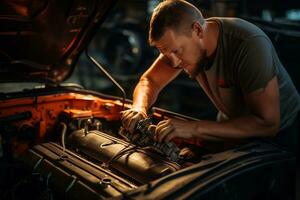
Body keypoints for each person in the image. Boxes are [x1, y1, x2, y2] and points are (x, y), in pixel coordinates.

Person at [121, 0, 300, 152]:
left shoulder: (248, 44)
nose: (174, 63)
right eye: (166, 54)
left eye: (177, 51)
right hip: (230, 125)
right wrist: (139, 107)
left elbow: (267, 123)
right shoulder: (178, 46)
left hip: (281, 138)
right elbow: (150, 80)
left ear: (198, 30)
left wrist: (193, 128)